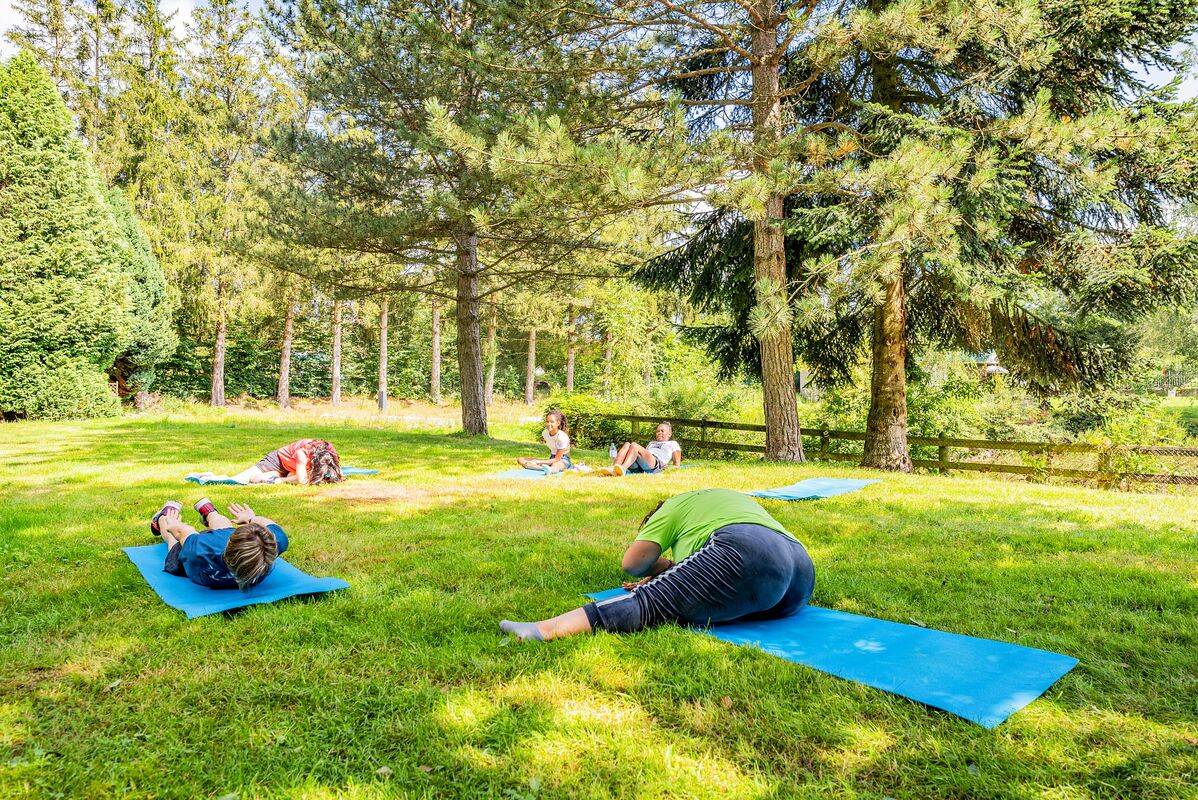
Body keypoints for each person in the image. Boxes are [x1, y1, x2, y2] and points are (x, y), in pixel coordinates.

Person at [499, 488, 815, 641]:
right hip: (800, 574)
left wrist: (657, 571)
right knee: (682, 596)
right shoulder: (721, 498)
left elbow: (633, 563)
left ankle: (542, 630)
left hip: (748, 550)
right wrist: (671, 573)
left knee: (652, 603)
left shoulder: (673, 506)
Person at [149, 498, 289, 590]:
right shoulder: (273, 543)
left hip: (196, 567)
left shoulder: (199, 549)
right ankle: (209, 513)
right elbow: (271, 525)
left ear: (230, 541)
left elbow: (182, 532)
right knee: (223, 528)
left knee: (173, 542)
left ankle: (160, 517)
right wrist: (251, 518)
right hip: (239, 566)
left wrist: (172, 523)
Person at [189, 439, 344, 485]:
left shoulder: (329, 449)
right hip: (277, 461)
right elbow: (303, 480)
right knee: (239, 480)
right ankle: (208, 475)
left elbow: (339, 471)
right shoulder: (302, 454)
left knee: (256, 480)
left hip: (292, 469)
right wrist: (281, 480)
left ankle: (268, 479)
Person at [599, 421, 682, 476]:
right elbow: (640, 455)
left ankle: (623, 468)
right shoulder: (651, 443)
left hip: (656, 463)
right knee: (627, 444)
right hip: (641, 465)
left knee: (634, 445)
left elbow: (677, 465)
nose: (659, 433)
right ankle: (613, 468)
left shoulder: (673, 443)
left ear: (669, 434)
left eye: (662, 431)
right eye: (657, 431)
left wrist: (667, 467)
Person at [516, 409, 572, 474]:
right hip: (552, 457)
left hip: (563, 460)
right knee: (521, 459)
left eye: (552, 422)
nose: (549, 424)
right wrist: (536, 461)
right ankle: (543, 468)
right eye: (547, 421)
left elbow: (557, 459)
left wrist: (539, 462)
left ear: (558, 423)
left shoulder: (562, 437)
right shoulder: (545, 433)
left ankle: (548, 469)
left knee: (555, 465)